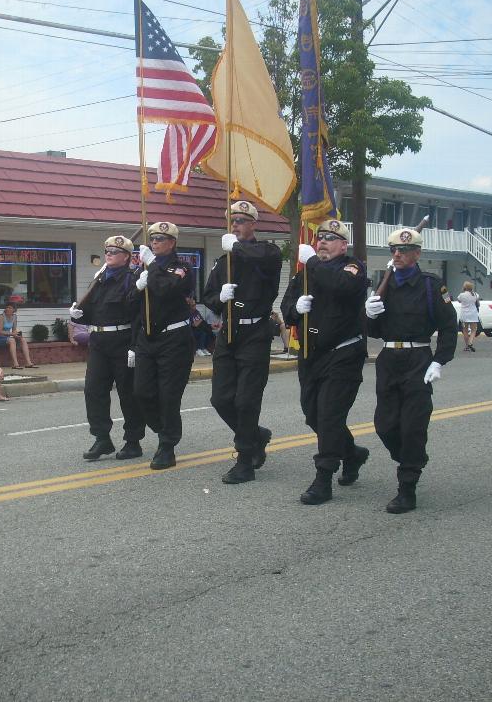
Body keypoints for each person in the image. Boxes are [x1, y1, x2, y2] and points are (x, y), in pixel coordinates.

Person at [364, 227, 458, 514]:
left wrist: (439, 360)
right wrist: (368, 314)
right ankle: (411, 457)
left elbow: (448, 325)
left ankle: (407, 487)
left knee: (413, 426)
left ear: (417, 254)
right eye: (394, 250)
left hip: (418, 359)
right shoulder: (384, 284)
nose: (398, 254)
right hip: (389, 359)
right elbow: (374, 331)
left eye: (404, 250)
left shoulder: (431, 285)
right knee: (385, 425)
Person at [280, 218, 371, 504]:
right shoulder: (306, 273)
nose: (322, 242)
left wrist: (312, 263)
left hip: (343, 354)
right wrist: (295, 309)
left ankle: (323, 479)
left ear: (343, 245)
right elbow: (286, 307)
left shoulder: (352, 268)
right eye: (320, 238)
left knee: (330, 415)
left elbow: (341, 287)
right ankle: (352, 453)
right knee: (313, 415)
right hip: (311, 354)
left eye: (330, 239)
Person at [202, 200, 282, 484]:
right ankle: (256, 435)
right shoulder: (223, 262)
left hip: (255, 332)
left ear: (253, 224)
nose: (235, 225)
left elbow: (262, 258)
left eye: (241, 221)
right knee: (221, 398)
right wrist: (219, 298)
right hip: (229, 333)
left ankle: (245, 459)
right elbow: (208, 296)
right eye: (232, 221)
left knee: (246, 400)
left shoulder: (268, 251)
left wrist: (236, 247)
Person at [69, 234, 146, 461]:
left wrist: (135, 346)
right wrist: (78, 315)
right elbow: (93, 312)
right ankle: (102, 438)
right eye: (107, 252)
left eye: (115, 252)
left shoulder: (132, 279)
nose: (109, 255)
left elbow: (137, 316)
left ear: (127, 257)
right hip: (98, 342)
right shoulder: (99, 279)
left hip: (122, 340)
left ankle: (133, 441)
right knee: (93, 391)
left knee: (127, 393)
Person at [132, 222, 195, 470]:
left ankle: (167, 445)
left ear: (172, 242)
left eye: (160, 238)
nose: (154, 242)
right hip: (147, 339)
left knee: (168, 396)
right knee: (142, 392)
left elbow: (165, 289)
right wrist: (137, 286)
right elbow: (129, 304)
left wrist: (152, 266)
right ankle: (163, 429)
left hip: (174, 338)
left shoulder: (182, 268)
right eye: (153, 239)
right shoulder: (144, 268)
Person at [0, 303, 37, 369]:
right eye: (7, 307)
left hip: (6, 338)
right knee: (12, 340)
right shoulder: (1, 317)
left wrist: (17, 335)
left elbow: (14, 330)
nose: (7, 309)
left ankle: (28, 363)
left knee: (22, 339)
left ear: (14, 310)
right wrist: (12, 334)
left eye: (10, 308)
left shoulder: (14, 317)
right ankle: (15, 364)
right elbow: (0, 331)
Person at [457, 281, 481, 352]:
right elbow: (478, 304)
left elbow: (459, 301)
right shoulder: (475, 294)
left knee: (465, 330)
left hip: (464, 315)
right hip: (473, 314)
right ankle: (470, 342)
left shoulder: (461, 295)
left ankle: (467, 346)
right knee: (474, 330)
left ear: (464, 287)